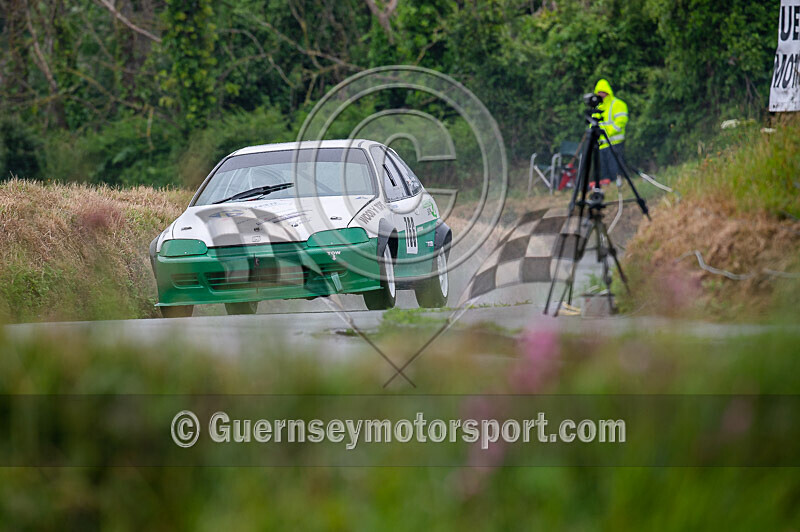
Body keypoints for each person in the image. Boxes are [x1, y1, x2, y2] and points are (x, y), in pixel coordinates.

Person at [593, 78, 628, 185]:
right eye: (599, 93)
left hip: (614, 143)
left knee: (615, 169)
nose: (601, 95)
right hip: (602, 145)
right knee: (604, 173)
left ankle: (618, 185)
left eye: (603, 92)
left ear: (608, 91)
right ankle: (608, 188)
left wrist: (607, 133)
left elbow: (621, 122)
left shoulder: (617, 104)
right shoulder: (598, 107)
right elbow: (593, 123)